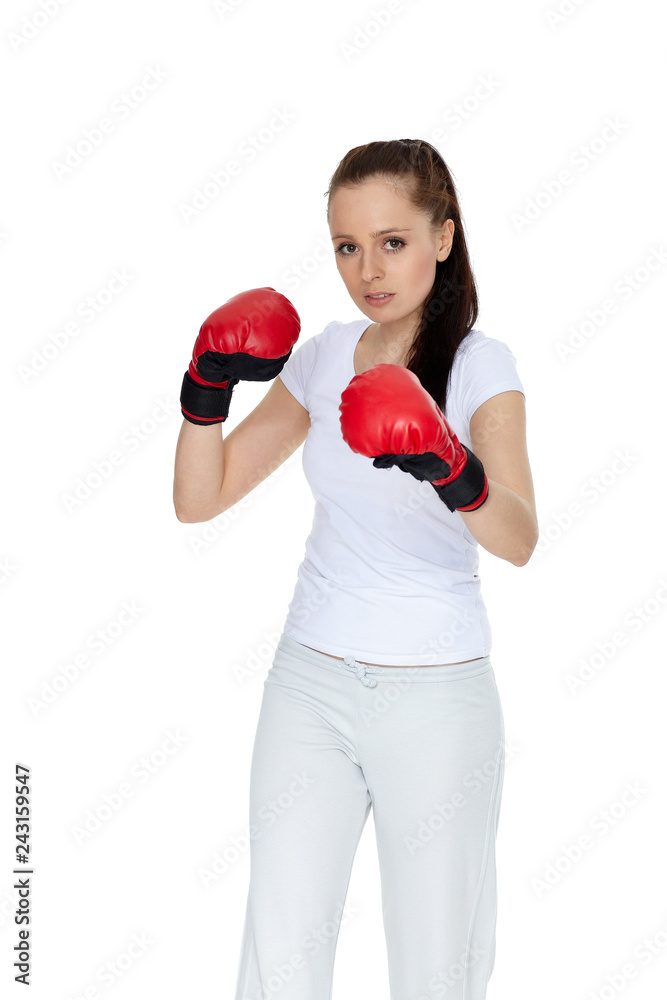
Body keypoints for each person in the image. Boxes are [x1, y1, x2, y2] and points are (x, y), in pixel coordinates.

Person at [173, 138, 538, 1000]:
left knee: (436, 967)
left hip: (437, 696)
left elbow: (518, 536)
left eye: (392, 241)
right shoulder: (324, 354)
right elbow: (201, 497)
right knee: (280, 956)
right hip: (309, 683)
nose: (367, 269)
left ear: (442, 237)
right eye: (346, 246)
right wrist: (203, 388)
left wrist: (447, 461)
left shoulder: (482, 366)